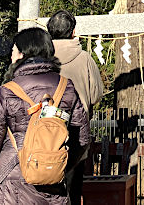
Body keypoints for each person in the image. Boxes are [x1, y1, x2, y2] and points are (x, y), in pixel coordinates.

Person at [0, 27, 90, 205]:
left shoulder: (8, 91)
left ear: (22, 54)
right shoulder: (67, 87)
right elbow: (82, 139)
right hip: (53, 187)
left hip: (9, 186)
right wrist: (54, 164)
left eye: (13, 51)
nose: (11, 56)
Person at [46, 11, 104, 205]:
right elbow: (96, 95)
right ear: (72, 32)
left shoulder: (40, 59)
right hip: (76, 135)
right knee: (72, 188)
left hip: (43, 134)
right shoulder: (85, 59)